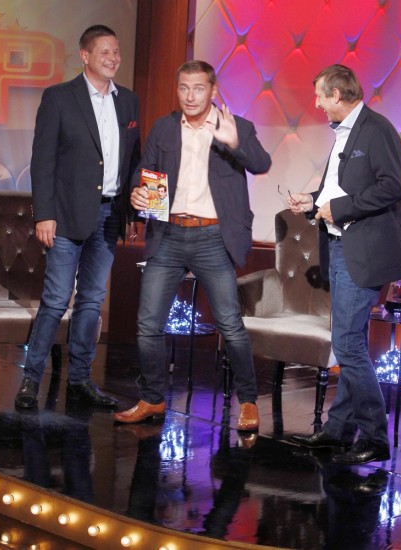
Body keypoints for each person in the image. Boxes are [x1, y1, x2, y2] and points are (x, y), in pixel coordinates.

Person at [114, 60, 271, 431]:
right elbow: (144, 170)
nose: (190, 95)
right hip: (168, 234)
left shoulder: (236, 126)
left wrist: (234, 142)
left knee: (230, 323)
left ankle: (248, 401)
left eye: (198, 88)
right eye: (183, 88)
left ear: (213, 91)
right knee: (148, 324)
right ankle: (152, 398)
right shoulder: (165, 127)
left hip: (213, 238)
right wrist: (137, 191)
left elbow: (261, 163)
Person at [14, 25, 141, 409]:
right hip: (66, 215)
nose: (113, 58)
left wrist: (135, 209)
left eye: (116, 52)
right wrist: (44, 214)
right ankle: (30, 379)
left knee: (91, 301)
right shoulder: (59, 98)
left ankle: (81, 380)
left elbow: (133, 159)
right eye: (105, 52)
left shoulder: (128, 101)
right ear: (85, 56)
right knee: (56, 299)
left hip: (110, 214)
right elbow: (43, 161)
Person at [289, 64, 401, 465]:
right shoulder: (343, 132)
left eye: (320, 96)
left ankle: (374, 436)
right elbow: (338, 190)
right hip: (339, 247)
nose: (317, 104)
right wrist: (312, 202)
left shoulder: (377, 129)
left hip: (365, 251)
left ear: (337, 95)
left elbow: (391, 187)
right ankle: (338, 430)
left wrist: (337, 208)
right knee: (349, 339)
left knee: (347, 344)